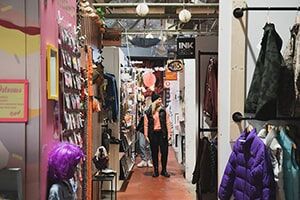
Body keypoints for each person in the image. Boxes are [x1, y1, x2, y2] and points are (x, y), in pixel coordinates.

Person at [144, 93, 172, 177]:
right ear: (155, 101)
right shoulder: (148, 112)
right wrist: (146, 135)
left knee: (164, 152)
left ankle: (164, 170)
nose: (160, 101)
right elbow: (146, 124)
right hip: (153, 134)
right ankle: (156, 170)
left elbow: (168, 122)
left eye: (160, 99)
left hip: (162, 133)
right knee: (154, 152)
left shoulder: (163, 111)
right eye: (159, 99)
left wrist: (169, 133)